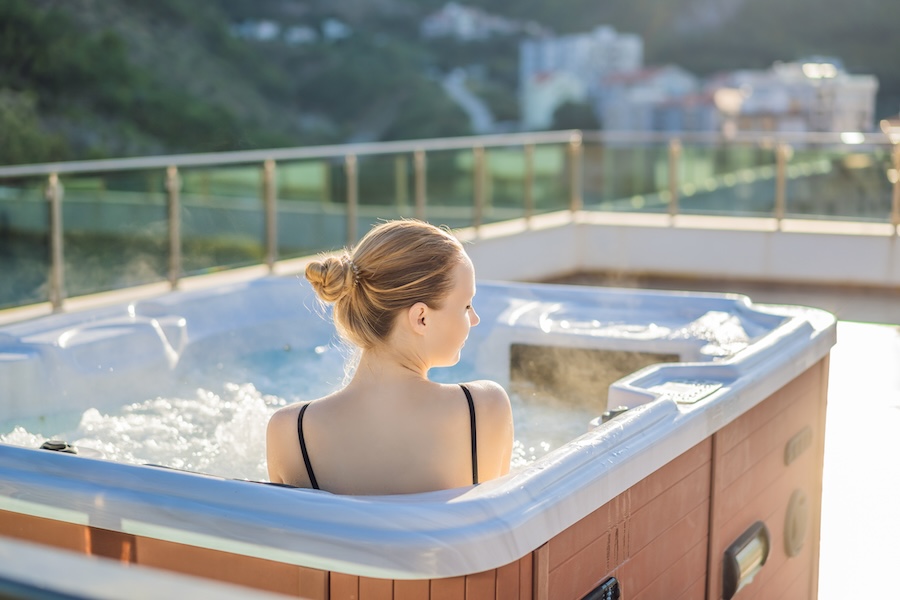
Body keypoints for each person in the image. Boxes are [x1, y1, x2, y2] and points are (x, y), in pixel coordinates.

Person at [266, 219, 514, 495]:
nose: (475, 318)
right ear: (421, 318)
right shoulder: (483, 408)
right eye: (466, 305)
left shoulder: (290, 431)